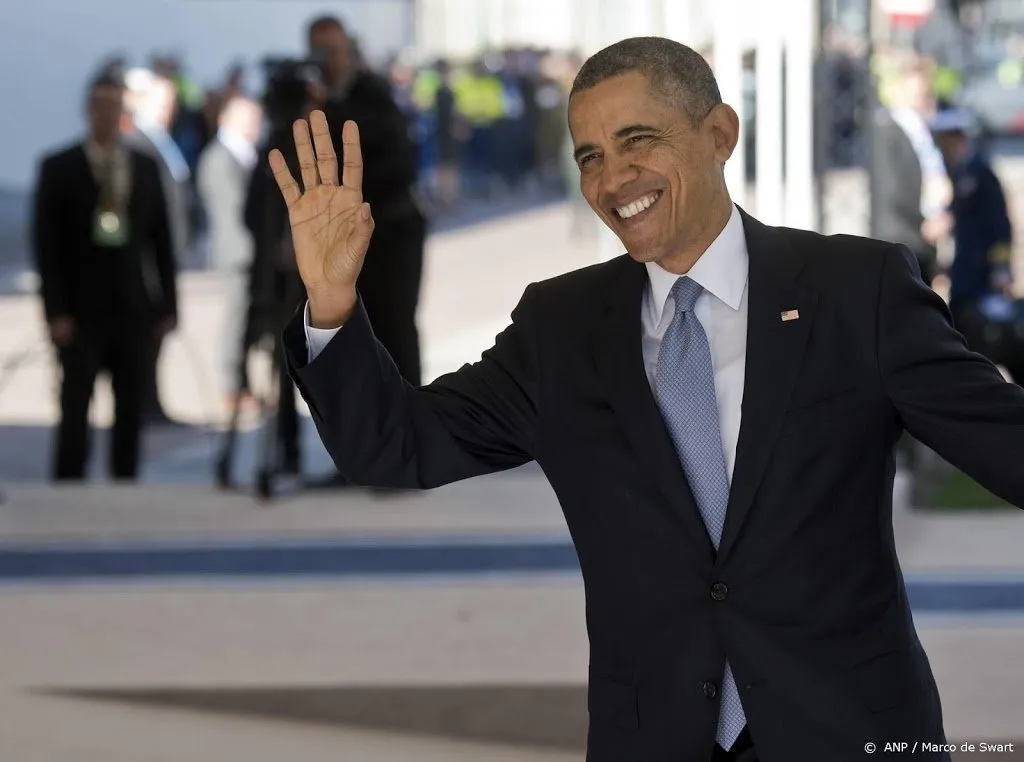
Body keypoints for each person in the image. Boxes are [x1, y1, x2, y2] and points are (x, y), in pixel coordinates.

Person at [274, 37, 1024, 762]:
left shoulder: (856, 293)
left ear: (719, 133)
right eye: (591, 157)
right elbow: (395, 445)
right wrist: (332, 305)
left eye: (639, 141)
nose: (613, 179)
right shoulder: (560, 330)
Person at [31, 71, 177, 481]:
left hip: (132, 305)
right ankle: (68, 483)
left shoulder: (145, 167)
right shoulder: (59, 168)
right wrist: (55, 310)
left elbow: (161, 241)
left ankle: (125, 483)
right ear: (88, 109)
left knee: (131, 404)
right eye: (101, 106)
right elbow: (46, 247)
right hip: (80, 307)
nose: (107, 115)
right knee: (76, 403)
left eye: (115, 107)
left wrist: (169, 303)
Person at [306, 14, 426, 387]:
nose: (327, 60)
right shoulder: (309, 99)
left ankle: (410, 419)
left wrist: (328, 108)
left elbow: (395, 155)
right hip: (339, 239)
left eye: (334, 50)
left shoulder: (372, 92)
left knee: (393, 330)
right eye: (318, 51)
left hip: (390, 234)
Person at [929, 108, 1020, 382]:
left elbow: (1000, 226)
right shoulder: (957, 174)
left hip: (980, 270)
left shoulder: (981, 174)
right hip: (963, 269)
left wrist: (1002, 267)